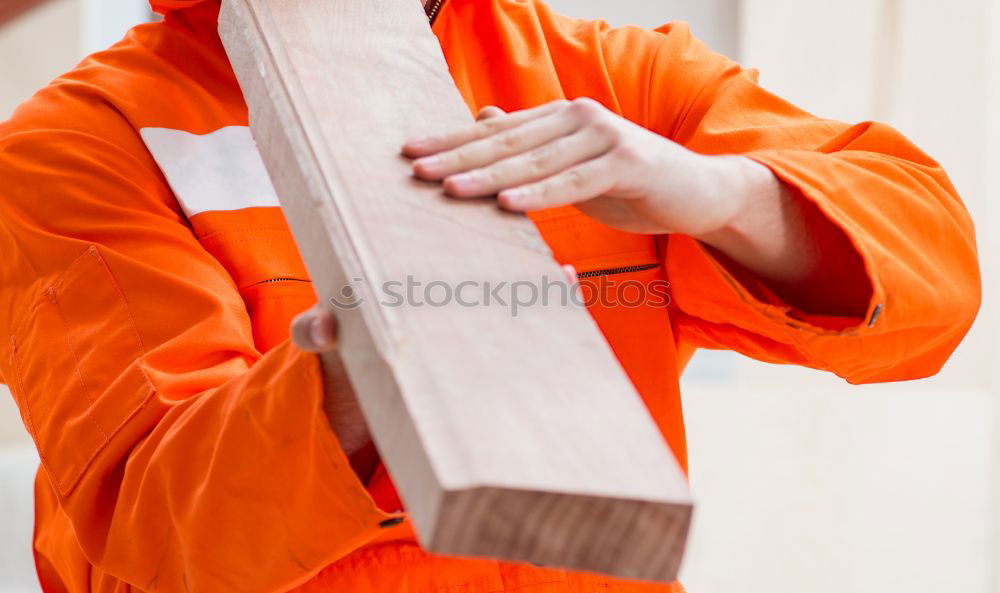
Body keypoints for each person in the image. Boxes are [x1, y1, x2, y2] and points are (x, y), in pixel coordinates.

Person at [0, 0, 980, 591]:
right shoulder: (84, 141)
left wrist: (709, 189)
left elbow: (931, 271)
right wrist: (358, 370)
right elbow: (155, 526)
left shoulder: (604, 80)